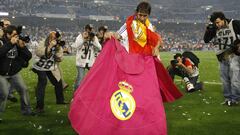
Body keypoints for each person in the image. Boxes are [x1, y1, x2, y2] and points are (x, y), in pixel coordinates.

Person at [69, 2, 182, 135]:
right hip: (127, 63)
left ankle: (139, 123)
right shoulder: (129, 24)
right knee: (121, 93)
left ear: (148, 15)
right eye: (140, 15)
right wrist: (112, 34)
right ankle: (114, 121)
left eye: (144, 16)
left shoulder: (149, 26)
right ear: (136, 13)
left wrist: (156, 48)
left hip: (143, 64)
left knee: (144, 95)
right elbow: (119, 35)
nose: (141, 18)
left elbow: (155, 40)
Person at [204, 11, 240, 106]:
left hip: (234, 54)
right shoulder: (214, 28)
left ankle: (235, 99)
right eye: (215, 23)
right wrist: (208, 29)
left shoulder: (234, 23)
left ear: (223, 19)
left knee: (235, 77)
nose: (217, 25)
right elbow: (206, 40)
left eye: (218, 22)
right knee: (224, 79)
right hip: (222, 56)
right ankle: (228, 99)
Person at [0, 25, 34, 122]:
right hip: (1, 73)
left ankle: (26, 111)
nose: (16, 37)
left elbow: (28, 56)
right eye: (14, 35)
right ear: (7, 34)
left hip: (13, 72)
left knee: (23, 89)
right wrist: (10, 44)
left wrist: (22, 47)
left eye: (17, 35)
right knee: (4, 93)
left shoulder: (17, 43)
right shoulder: (1, 41)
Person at [32, 31, 67, 113]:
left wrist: (57, 50)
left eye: (55, 37)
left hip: (51, 67)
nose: (54, 39)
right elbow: (38, 52)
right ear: (49, 37)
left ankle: (60, 100)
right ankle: (39, 106)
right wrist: (49, 47)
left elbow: (60, 58)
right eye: (52, 37)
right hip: (41, 66)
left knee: (58, 82)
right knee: (42, 82)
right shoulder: (43, 42)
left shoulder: (58, 45)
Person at [71, 24, 102, 90]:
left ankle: (90, 93)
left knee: (94, 78)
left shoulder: (94, 37)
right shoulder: (80, 36)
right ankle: (75, 96)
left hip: (91, 62)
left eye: (90, 29)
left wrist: (93, 40)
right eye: (88, 29)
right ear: (85, 29)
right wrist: (84, 39)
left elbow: (99, 48)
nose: (89, 31)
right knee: (80, 80)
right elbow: (76, 46)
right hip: (81, 62)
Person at [0, 18, 18, 102]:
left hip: (9, 62)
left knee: (12, 78)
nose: (8, 26)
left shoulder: (11, 35)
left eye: (9, 25)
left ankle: (9, 94)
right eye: (6, 24)